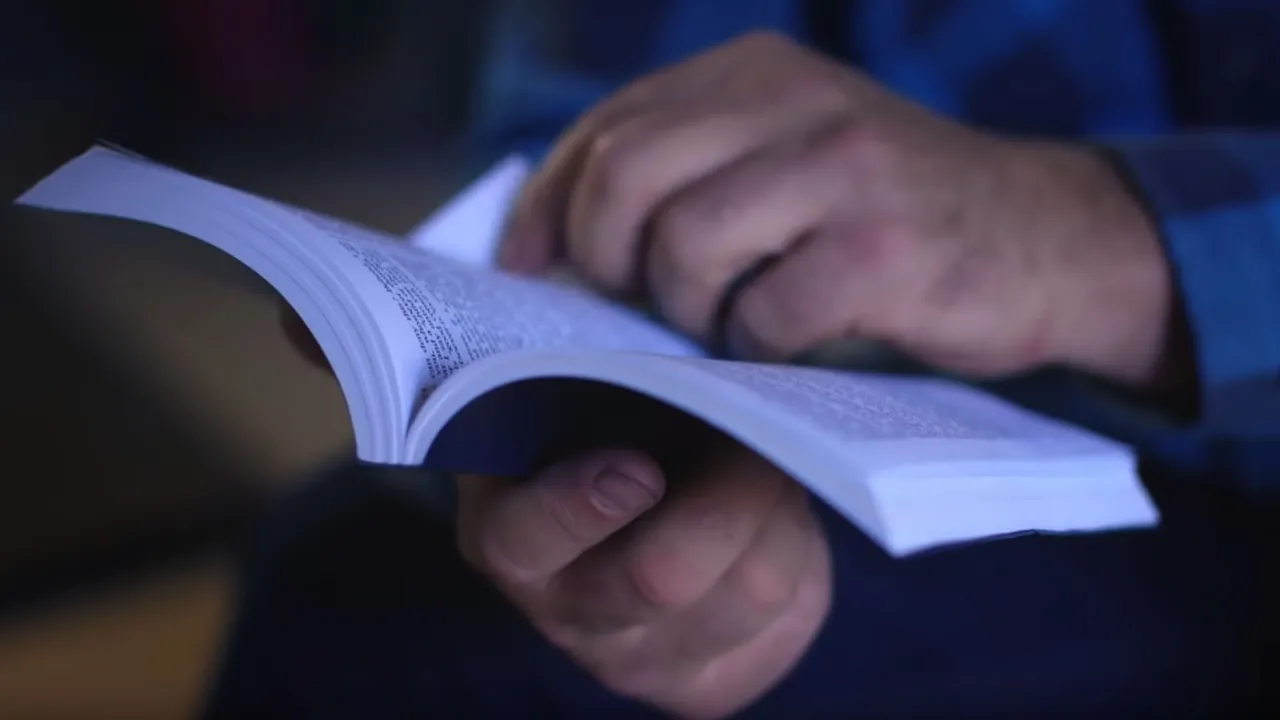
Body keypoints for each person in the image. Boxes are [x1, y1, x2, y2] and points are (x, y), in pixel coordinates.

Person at [205, 2, 1280, 717]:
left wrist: (1117, 244)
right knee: (367, 594)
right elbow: (580, 138)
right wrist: (551, 382)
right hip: (1020, 447)